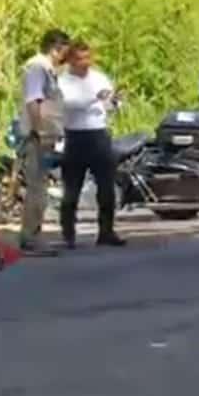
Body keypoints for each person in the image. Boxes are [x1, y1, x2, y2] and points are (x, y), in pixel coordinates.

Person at [57, 40, 126, 248]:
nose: (84, 63)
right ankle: (68, 233)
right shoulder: (63, 82)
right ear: (70, 60)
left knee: (106, 186)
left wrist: (115, 102)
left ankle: (106, 231)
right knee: (72, 189)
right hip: (76, 135)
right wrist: (94, 99)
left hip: (98, 134)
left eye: (87, 58)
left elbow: (108, 103)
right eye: (79, 59)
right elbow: (69, 105)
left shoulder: (98, 78)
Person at [18, 29, 71, 256]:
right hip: (37, 136)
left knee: (40, 186)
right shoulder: (38, 68)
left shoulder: (46, 69)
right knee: (37, 188)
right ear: (55, 48)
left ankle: (33, 234)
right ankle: (30, 238)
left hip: (44, 135)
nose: (64, 58)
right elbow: (33, 102)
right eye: (63, 52)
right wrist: (39, 130)